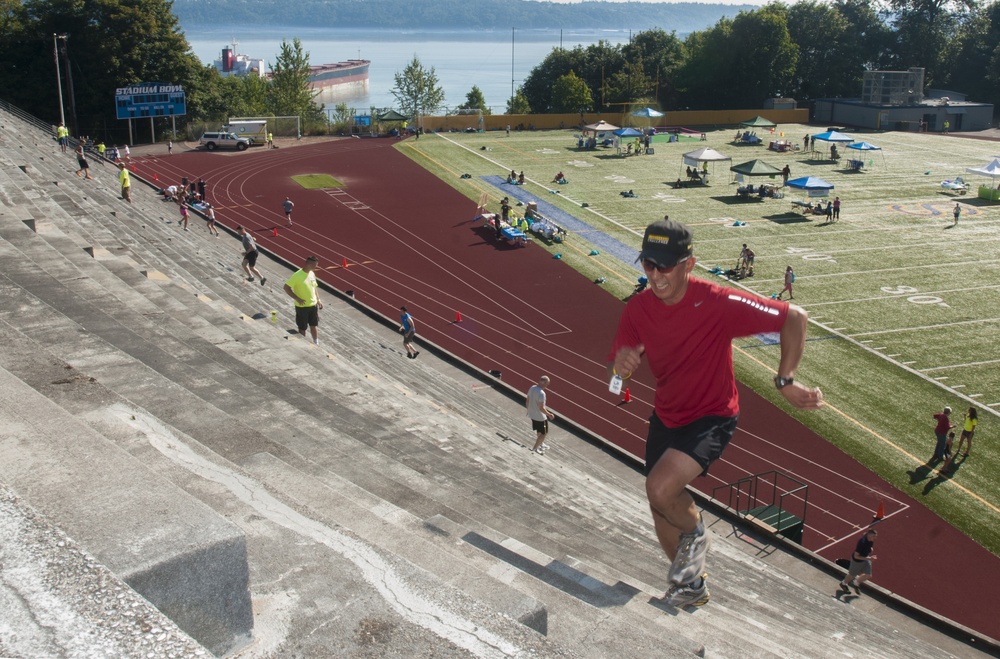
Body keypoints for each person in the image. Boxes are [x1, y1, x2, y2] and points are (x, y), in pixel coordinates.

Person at [606, 219, 823, 609]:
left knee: (660, 488)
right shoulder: (638, 309)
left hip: (712, 414)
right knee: (659, 508)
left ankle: (697, 531)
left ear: (689, 264)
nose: (655, 275)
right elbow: (619, 367)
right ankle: (691, 584)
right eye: (648, 263)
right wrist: (621, 366)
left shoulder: (718, 302)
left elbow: (795, 317)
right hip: (667, 415)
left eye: (665, 266)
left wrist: (785, 381)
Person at [283, 256, 323, 346]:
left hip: (313, 305)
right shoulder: (297, 275)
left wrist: (318, 300)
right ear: (309, 264)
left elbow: (314, 287)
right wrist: (297, 298)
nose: (316, 267)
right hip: (302, 307)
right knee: (302, 328)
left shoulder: (312, 273)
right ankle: (303, 345)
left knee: (314, 325)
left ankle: (316, 343)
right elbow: (286, 287)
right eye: (315, 265)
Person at [840, 527, 877, 594]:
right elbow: (856, 556)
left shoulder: (871, 540)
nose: (875, 538)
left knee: (868, 575)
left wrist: (870, 549)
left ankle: (856, 583)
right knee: (852, 575)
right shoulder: (862, 543)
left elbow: (869, 547)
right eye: (873, 536)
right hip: (857, 561)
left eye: (875, 536)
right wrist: (869, 558)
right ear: (869, 535)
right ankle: (843, 583)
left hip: (865, 558)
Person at [526, 375, 555, 455]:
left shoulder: (532, 388)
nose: (547, 385)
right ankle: (535, 448)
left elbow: (527, 400)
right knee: (544, 433)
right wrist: (549, 414)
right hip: (540, 417)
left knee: (539, 430)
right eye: (547, 383)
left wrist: (528, 410)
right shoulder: (541, 393)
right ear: (544, 382)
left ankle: (541, 444)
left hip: (532, 414)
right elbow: (541, 407)